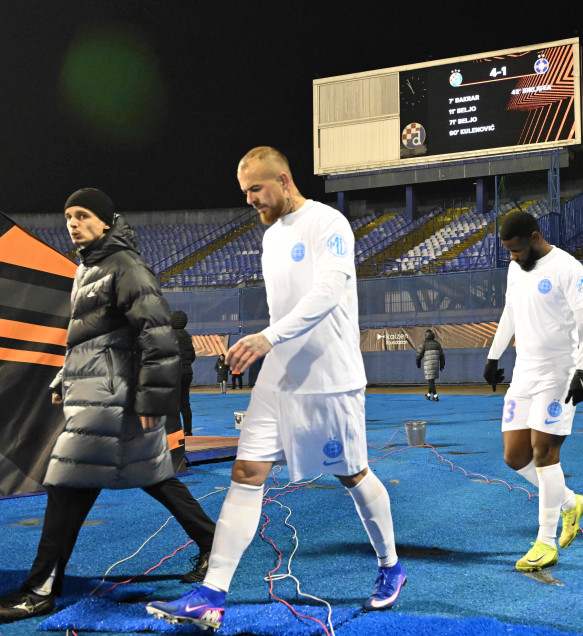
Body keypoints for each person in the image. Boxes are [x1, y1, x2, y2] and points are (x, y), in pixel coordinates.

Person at [147, 147, 404, 630]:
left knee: (351, 473)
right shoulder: (270, 237)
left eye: (256, 190)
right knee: (246, 472)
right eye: (244, 192)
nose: (250, 200)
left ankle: (391, 566)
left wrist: (269, 336)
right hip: (279, 376)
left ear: (284, 180)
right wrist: (270, 344)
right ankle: (211, 593)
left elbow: (328, 291)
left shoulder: (328, 224)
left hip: (329, 378)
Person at [0, 189, 214, 624]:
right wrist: (64, 379)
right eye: (68, 216)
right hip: (97, 400)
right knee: (155, 478)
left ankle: (39, 589)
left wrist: (153, 398)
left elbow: (157, 335)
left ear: (105, 221)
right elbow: (84, 342)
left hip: (114, 404)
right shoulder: (89, 269)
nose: (73, 223)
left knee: (64, 486)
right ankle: (215, 543)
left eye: (82, 215)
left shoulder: (125, 267)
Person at [483, 210, 583, 572]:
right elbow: (510, 312)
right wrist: (493, 354)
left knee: (544, 451)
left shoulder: (568, 268)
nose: (512, 258)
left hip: (559, 372)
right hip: (525, 372)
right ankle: (569, 503)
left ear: (534, 238)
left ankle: (545, 543)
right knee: (515, 456)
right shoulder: (516, 269)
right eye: (508, 252)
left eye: (516, 250)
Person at [172, 311, 196, 436]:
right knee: (185, 403)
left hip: (174, 373)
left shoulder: (170, 335)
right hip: (187, 372)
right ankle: (188, 431)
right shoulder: (187, 336)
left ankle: (175, 431)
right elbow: (192, 356)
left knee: (173, 404)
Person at [416, 329, 445, 401]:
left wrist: (418, 363)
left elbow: (419, 355)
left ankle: (435, 396)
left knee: (430, 381)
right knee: (431, 380)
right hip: (436, 365)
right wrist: (442, 365)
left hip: (428, 365)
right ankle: (428, 395)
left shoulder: (424, 344)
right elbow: (442, 356)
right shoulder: (437, 344)